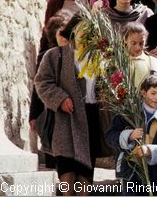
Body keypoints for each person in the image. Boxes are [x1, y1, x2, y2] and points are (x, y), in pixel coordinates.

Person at [35, 15, 110, 195]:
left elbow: (109, 87)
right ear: (73, 32)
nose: (86, 35)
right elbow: (42, 82)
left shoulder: (101, 58)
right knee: (67, 180)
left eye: (91, 31)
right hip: (65, 121)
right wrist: (60, 99)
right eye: (82, 30)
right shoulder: (55, 55)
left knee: (84, 181)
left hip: (91, 120)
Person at [106, 74, 157, 196]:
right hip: (130, 172)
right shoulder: (128, 113)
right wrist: (128, 136)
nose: (156, 98)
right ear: (143, 92)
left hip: (156, 176)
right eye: (153, 93)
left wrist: (151, 151)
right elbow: (110, 136)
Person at [30, 9, 73, 169]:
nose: (64, 37)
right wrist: (34, 116)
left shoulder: (78, 56)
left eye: (67, 33)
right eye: (60, 33)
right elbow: (38, 88)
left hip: (71, 112)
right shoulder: (45, 56)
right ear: (54, 34)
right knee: (51, 155)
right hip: (49, 114)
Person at [123, 22, 157, 88]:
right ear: (125, 39)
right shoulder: (117, 61)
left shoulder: (154, 61)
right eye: (133, 43)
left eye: (141, 43)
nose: (138, 47)